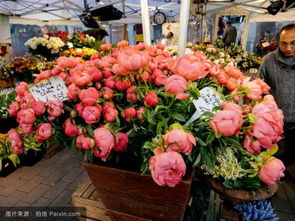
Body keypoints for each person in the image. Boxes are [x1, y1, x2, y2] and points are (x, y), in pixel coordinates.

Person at [259, 23, 295, 169]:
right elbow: (260, 87)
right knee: (271, 157)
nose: (288, 48)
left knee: (290, 156)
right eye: (284, 43)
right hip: (274, 122)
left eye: (293, 43)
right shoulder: (268, 61)